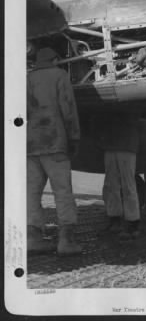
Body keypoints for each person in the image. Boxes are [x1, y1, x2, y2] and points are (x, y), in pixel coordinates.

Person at [27, 47, 82, 256]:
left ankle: (33, 238)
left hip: (30, 144)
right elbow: (68, 108)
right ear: (55, 59)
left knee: (31, 193)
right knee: (62, 191)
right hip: (54, 141)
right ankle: (67, 242)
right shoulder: (60, 75)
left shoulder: (27, 78)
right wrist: (74, 137)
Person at [102, 113, 141, 239]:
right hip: (111, 143)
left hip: (126, 144)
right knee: (110, 184)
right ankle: (115, 219)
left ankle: (133, 222)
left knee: (128, 185)